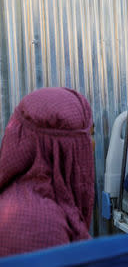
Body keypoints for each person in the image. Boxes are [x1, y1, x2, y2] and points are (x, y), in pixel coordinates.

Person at [0, 87, 95, 257]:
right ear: (62, 150)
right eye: (89, 135)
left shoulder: (21, 195)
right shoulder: (42, 227)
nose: (92, 144)